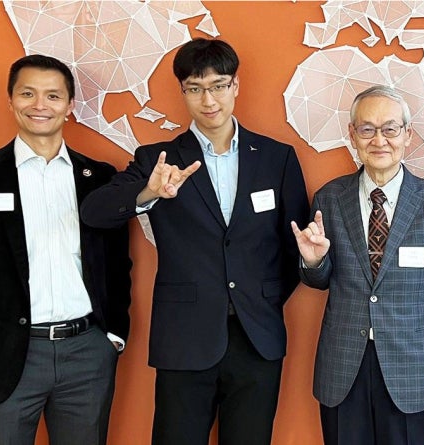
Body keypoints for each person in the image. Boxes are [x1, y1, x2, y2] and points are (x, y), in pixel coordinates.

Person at [80, 38, 309, 445]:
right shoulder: (158, 159)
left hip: (257, 338)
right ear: (182, 91)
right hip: (185, 338)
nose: (209, 100)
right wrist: (147, 193)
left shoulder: (277, 157)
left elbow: (297, 245)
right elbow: (95, 212)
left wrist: (262, 297)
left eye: (219, 85)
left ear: (235, 86)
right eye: (195, 88)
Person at [291, 85, 424, 445]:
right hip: (344, 367)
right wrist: (314, 261)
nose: (379, 140)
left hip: (411, 372)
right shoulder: (329, 198)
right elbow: (320, 281)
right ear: (352, 135)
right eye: (367, 129)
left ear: (407, 135)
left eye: (390, 128)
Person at [0, 54, 131, 445]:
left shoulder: (100, 178)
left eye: (53, 96)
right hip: (6, 353)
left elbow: (118, 264)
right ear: (10, 100)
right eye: (28, 94)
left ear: (69, 106)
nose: (40, 105)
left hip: (87, 352)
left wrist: (113, 336)